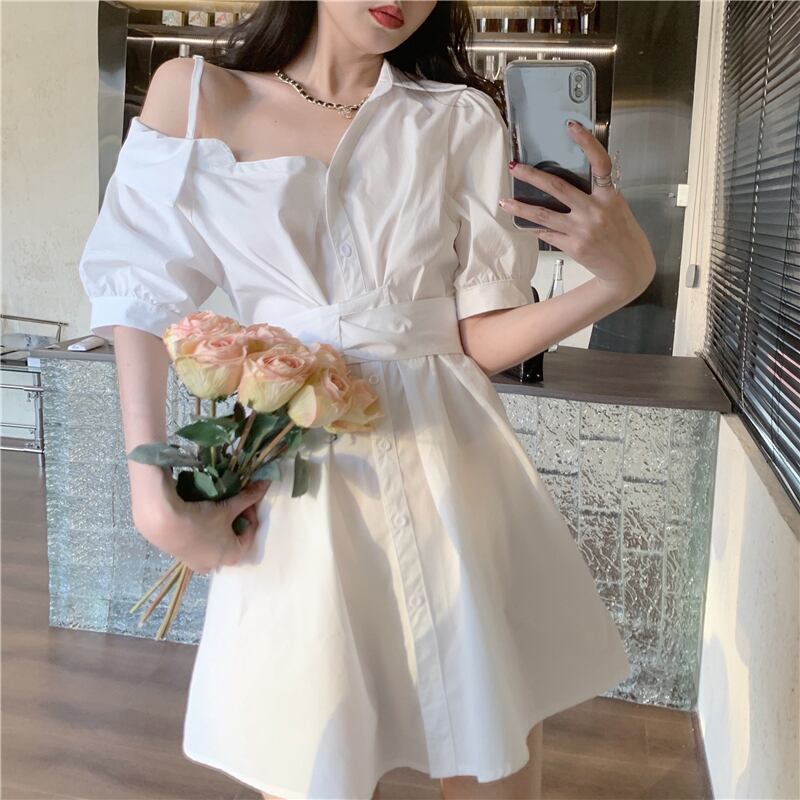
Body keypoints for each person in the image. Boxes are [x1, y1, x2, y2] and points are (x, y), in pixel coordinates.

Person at [78, 2, 656, 799]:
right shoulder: (198, 94)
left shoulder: (459, 117)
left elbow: (473, 337)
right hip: (301, 477)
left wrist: (621, 282)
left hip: (453, 466)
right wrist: (152, 497)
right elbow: (136, 293)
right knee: (316, 750)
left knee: (490, 749)